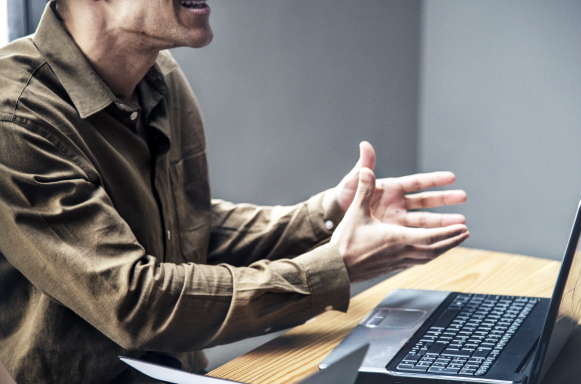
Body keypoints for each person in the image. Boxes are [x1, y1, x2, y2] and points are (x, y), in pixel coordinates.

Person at [0, 1, 470, 383]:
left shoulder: (160, 78)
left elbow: (188, 227)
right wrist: (331, 269)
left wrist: (330, 216)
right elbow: (135, 301)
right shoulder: (14, 118)